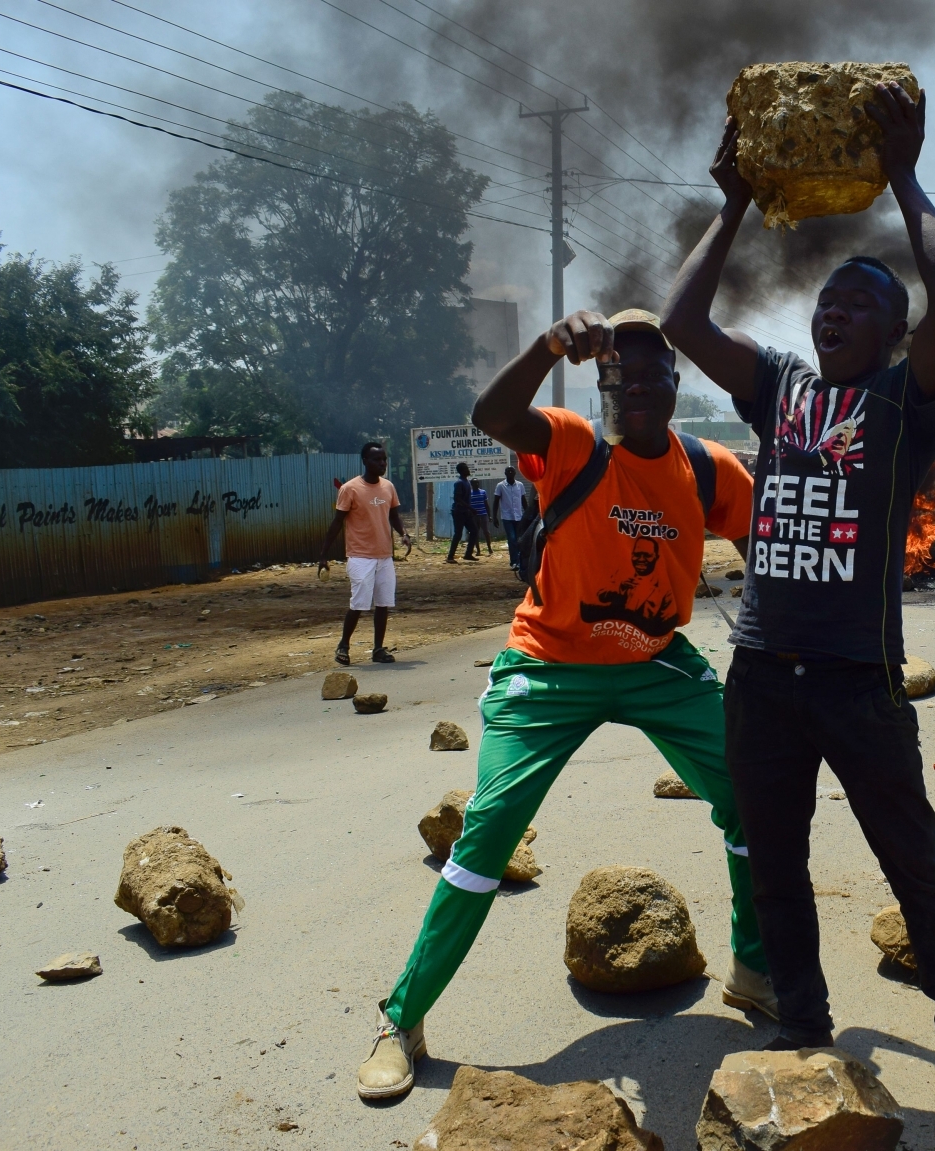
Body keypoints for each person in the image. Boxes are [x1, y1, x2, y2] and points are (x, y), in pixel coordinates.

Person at [661, 81, 935, 1099]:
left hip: (858, 679)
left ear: (892, 330)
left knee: (913, 860)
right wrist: (731, 201)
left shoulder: (907, 400)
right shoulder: (781, 386)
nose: (831, 310)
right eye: (824, 300)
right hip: (763, 671)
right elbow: (685, 317)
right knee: (775, 863)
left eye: (855, 301)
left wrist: (903, 174)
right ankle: (806, 1022)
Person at [355, 308, 774, 1101]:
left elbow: (767, 548)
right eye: (619, 376)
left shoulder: (709, 468)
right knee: (487, 836)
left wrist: (775, 640)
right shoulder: (572, 443)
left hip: (655, 662)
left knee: (750, 797)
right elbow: (492, 417)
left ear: (675, 386)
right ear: (600, 386)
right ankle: (400, 1020)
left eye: (653, 374)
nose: (637, 387)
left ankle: (753, 969)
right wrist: (549, 344)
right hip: (549, 669)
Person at [318, 441, 411, 666]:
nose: (382, 463)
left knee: (383, 603)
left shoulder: (388, 487)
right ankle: (344, 645)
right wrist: (323, 555)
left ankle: (378, 648)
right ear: (365, 462)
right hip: (360, 556)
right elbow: (337, 523)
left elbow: (394, 516)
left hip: (384, 556)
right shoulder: (350, 489)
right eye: (377, 460)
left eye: (384, 459)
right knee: (359, 603)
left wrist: (403, 533)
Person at [492, 465, 529, 571]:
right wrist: (494, 517)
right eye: (508, 471)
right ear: (505, 473)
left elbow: (523, 500)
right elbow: (496, 501)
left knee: (519, 540)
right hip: (507, 517)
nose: (510, 473)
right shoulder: (500, 486)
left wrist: (527, 514)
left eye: (512, 471)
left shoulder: (520, 485)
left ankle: (520, 561)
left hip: (519, 517)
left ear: (515, 473)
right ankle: (514, 562)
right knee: (512, 539)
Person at [444, 462, 476, 563]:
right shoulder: (459, 483)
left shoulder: (466, 481)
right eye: (466, 468)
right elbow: (457, 498)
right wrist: (470, 508)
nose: (468, 470)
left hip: (465, 512)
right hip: (458, 512)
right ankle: (450, 557)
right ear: (462, 471)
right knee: (458, 534)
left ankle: (468, 554)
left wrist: (469, 509)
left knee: (474, 531)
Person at [468, 479, 493, 555]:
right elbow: (468, 505)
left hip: (483, 514)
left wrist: (489, 515)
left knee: (486, 532)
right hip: (474, 516)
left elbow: (486, 504)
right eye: (475, 483)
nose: (477, 484)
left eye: (478, 483)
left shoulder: (483, 492)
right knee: (475, 533)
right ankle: (478, 550)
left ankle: (489, 549)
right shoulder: (469, 493)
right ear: (472, 484)